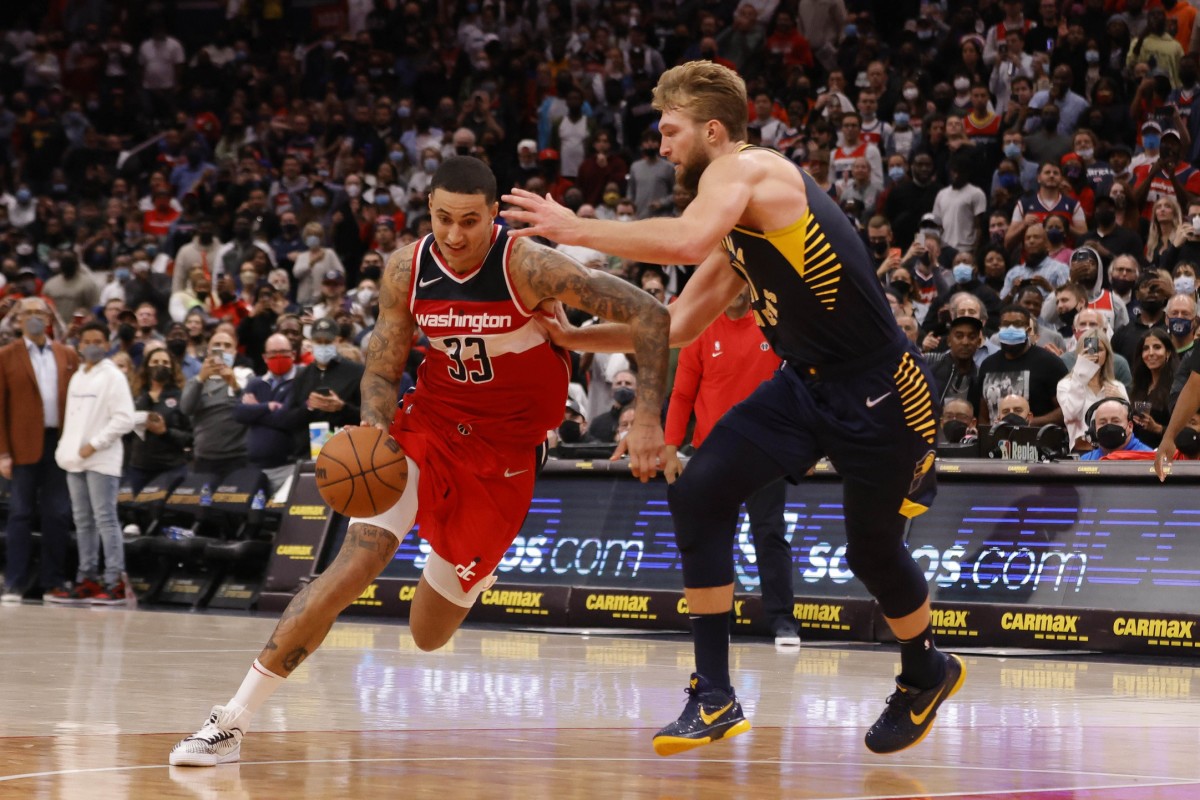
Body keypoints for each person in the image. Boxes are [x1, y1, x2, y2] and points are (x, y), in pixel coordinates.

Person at [502, 61, 962, 757]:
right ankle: (713, 695)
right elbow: (678, 323)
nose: (661, 146)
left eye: (670, 131)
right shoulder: (738, 226)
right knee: (700, 491)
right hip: (806, 385)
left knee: (872, 551)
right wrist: (574, 338)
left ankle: (926, 671)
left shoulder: (749, 170)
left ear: (712, 130)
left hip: (883, 390)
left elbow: (684, 240)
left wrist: (575, 229)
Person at [169, 157, 669, 767]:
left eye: (470, 221)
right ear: (428, 207)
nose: (455, 234)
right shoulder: (407, 268)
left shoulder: (528, 266)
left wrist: (647, 418)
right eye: (443, 218)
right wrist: (376, 433)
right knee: (351, 566)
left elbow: (652, 314)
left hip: (503, 456)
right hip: (427, 426)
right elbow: (382, 368)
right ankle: (230, 720)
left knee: (428, 635)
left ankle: (465, 565)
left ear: (493, 216)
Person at [662, 286, 800, 647]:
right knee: (713, 538)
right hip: (713, 453)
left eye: (742, 284)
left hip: (765, 450)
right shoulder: (702, 328)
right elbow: (682, 393)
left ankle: (783, 621)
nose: (736, 291)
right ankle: (717, 620)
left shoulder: (771, 325)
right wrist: (670, 447)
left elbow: (799, 387)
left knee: (769, 534)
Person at [48, 322, 135, 605]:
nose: (93, 346)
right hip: (74, 460)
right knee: (82, 521)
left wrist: (94, 444)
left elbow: (124, 419)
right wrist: (68, 449)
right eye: (87, 341)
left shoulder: (113, 376)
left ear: (107, 344)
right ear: (80, 345)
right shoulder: (78, 376)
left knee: (105, 519)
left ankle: (115, 581)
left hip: (101, 460)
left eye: (98, 341)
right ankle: (87, 578)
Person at [0, 298, 79, 604]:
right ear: (18, 319)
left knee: (57, 513)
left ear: (49, 319)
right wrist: (3, 453)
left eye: (40, 313)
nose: (34, 317)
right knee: (20, 513)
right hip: (20, 445)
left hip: (59, 443)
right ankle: (15, 583)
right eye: (28, 313)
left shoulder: (67, 354)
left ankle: (53, 582)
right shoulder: (6, 356)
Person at [179, 328, 249, 479]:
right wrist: (201, 379)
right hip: (204, 458)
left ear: (235, 352)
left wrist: (235, 385)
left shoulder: (245, 377)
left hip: (238, 457)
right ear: (208, 351)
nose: (222, 349)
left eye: (227, 345)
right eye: (217, 345)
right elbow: (185, 409)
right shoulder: (196, 381)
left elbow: (250, 411)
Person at [125, 348, 192, 495]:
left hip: (171, 468)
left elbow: (191, 437)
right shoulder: (135, 395)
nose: (160, 365)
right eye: (155, 362)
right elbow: (124, 431)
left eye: (165, 362)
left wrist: (165, 432)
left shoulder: (182, 396)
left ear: (173, 368)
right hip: (139, 468)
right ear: (146, 366)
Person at [1056, 332, 1128, 451]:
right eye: (1089, 350)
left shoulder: (1117, 386)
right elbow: (1070, 415)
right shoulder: (1066, 385)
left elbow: (1128, 424)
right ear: (1079, 354)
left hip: (1116, 450)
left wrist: (1121, 400)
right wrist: (1080, 375)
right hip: (1082, 450)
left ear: (1107, 354)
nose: (1094, 354)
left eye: (1099, 349)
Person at [1082, 398, 1154, 460]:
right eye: (1103, 422)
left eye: (1115, 421)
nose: (1109, 426)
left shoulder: (1149, 458)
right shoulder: (1085, 461)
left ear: (1130, 426)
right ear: (1094, 428)